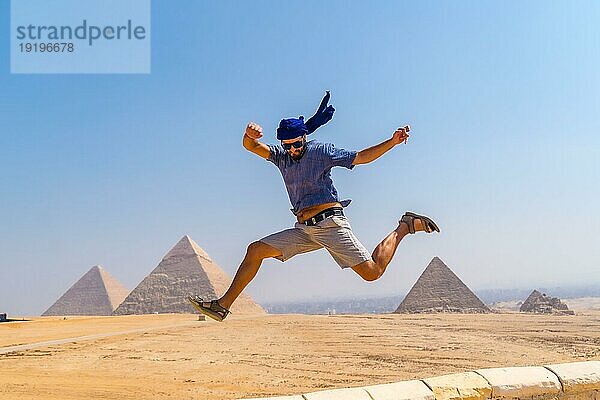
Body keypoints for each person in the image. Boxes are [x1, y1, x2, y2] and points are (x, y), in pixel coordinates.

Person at [188, 92, 439, 321]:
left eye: (297, 144)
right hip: (304, 230)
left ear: (305, 138)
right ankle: (222, 307)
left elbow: (361, 157)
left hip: (330, 223)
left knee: (372, 272)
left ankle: (404, 227)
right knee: (255, 250)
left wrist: (392, 142)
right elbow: (252, 146)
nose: (293, 149)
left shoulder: (320, 151)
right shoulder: (281, 158)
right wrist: (249, 135)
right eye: (288, 146)